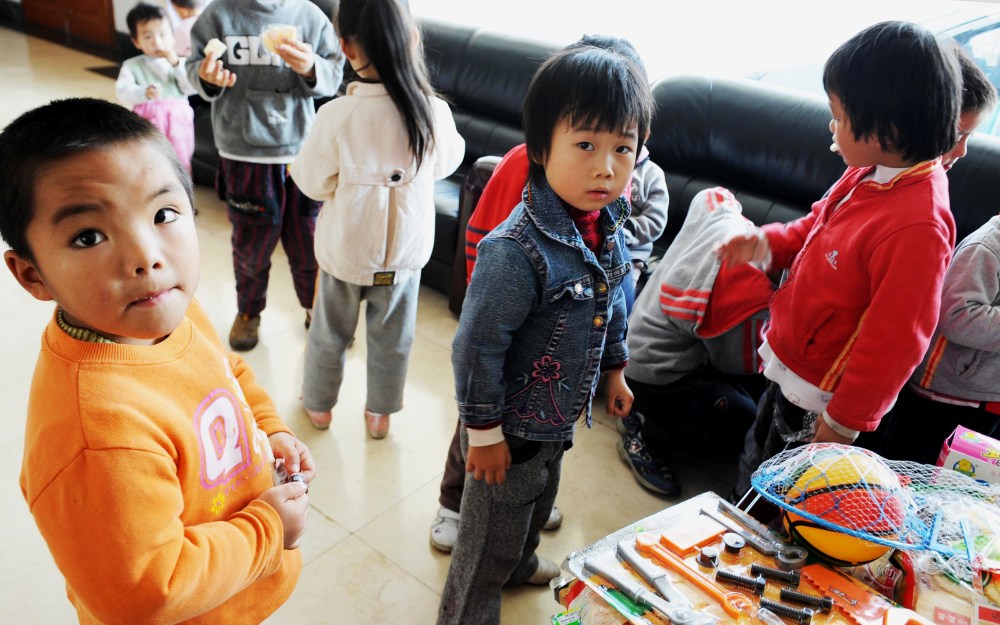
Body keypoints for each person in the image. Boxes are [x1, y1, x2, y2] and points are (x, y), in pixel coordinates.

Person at [0, 98, 314, 624]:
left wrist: (269, 429)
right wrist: (268, 531)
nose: (146, 256)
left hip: (237, 594)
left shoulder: (170, 311)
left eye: (163, 214)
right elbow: (148, 593)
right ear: (33, 275)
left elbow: (226, 374)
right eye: (88, 236)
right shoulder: (97, 436)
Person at [437, 44, 652, 625]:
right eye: (585, 145)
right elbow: (475, 348)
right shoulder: (516, 251)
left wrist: (615, 369)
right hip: (509, 429)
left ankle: (522, 561)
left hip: (557, 419)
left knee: (538, 504)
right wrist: (482, 433)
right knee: (484, 546)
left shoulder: (607, 224)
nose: (606, 167)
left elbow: (612, 302)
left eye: (623, 148)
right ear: (540, 149)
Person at [717, 21, 962, 506]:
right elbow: (816, 225)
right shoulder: (868, 170)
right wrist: (764, 243)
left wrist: (843, 423)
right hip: (792, 366)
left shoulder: (919, 226)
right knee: (754, 464)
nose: (831, 126)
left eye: (838, 116)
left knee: (781, 500)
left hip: (823, 400)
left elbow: (896, 342)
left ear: (888, 128)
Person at [290, 0, 464, 438]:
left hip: (345, 255)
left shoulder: (336, 116)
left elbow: (311, 182)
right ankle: (380, 413)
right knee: (393, 338)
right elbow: (447, 164)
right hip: (404, 257)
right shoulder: (434, 113)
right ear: (413, 40)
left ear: (346, 48)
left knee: (329, 332)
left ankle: (319, 406)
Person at [857, 41, 1000, 466]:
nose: (963, 151)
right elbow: (952, 315)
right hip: (939, 392)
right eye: (957, 136)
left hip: (984, 395)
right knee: (907, 468)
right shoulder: (974, 241)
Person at [185, 0, 344, 351]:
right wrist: (206, 78)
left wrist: (311, 68)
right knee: (250, 245)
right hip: (243, 152)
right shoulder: (219, 15)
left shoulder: (309, 16)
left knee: (308, 242)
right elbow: (193, 67)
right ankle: (248, 311)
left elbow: (335, 72)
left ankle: (314, 308)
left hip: (300, 153)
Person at [617, 186, 773, 498]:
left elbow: (710, 195)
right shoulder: (747, 292)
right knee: (744, 420)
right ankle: (647, 435)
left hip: (635, 345)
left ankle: (641, 410)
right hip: (657, 374)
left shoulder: (730, 223)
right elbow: (735, 364)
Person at [116, 2, 196, 173]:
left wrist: (176, 64)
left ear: (173, 35)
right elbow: (122, 93)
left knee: (180, 160)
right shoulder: (132, 66)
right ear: (136, 41)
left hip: (178, 122)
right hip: (148, 122)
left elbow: (191, 88)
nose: (157, 42)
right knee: (148, 159)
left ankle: (180, 186)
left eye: (163, 34)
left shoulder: (180, 63)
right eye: (148, 37)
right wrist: (143, 93)